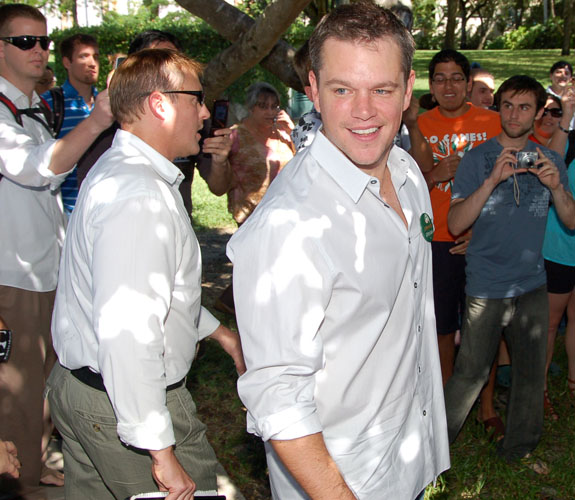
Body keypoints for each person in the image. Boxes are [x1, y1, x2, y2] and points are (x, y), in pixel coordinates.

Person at [228, 2, 450, 498]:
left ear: (408, 89)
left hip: (407, 453)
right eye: (343, 89)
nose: (364, 110)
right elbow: (277, 396)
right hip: (339, 479)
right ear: (313, 91)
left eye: (382, 90)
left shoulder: (409, 174)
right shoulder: (289, 226)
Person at [46, 48, 245, 500]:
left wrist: (221, 335)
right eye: (196, 99)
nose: (203, 113)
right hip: (123, 405)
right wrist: (160, 451)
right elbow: (129, 331)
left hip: (89, 392)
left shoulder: (128, 174)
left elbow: (156, 294)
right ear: (159, 104)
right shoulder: (139, 196)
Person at [0, 3, 112, 489]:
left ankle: (33, 463)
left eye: (43, 41)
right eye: (25, 41)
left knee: (44, 382)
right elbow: (35, 169)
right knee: (15, 390)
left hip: (47, 268)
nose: (39, 50)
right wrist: (98, 120)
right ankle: (16, 482)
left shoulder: (34, 108)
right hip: (12, 276)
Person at [444, 75, 575, 464]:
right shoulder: (478, 158)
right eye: (507, 105)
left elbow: (570, 220)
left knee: (532, 373)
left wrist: (556, 188)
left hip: (532, 284)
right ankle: (433, 448)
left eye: (524, 107)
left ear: (537, 114)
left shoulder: (549, 160)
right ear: (498, 108)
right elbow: (454, 223)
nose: (514, 114)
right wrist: (492, 180)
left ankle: (519, 448)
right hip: (486, 286)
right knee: (470, 373)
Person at [417, 50, 504, 439]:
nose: (448, 85)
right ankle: (448, 405)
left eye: (456, 78)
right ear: (431, 84)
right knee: (442, 328)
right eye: (440, 78)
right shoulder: (419, 124)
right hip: (435, 239)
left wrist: (481, 232)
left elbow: (508, 184)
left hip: (480, 241)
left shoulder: (493, 122)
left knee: (482, 329)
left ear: (468, 84)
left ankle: (485, 406)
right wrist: (434, 174)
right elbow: (406, 183)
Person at [74, 29, 232, 218]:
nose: (204, 112)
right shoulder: (135, 193)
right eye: (160, 61)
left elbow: (219, 187)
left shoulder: (192, 122)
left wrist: (220, 161)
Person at [542, 88, 575, 420]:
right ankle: (541, 391)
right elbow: (548, 164)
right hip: (560, 247)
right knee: (551, 324)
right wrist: (565, 115)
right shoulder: (566, 135)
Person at [42, 33, 100, 215]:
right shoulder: (49, 104)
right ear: (67, 62)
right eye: (83, 56)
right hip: (67, 214)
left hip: (105, 210)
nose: (92, 63)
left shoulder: (108, 104)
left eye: (95, 57)